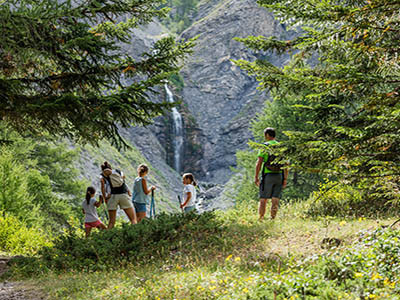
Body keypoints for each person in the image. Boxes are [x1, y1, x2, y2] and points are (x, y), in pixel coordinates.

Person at [254, 127, 288, 220]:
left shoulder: (265, 146)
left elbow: (259, 162)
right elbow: (286, 164)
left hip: (267, 175)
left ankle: (261, 218)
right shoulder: (281, 147)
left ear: (267, 135)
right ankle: (272, 219)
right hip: (279, 175)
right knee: (275, 198)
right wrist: (285, 179)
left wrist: (256, 177)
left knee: (263, 199)